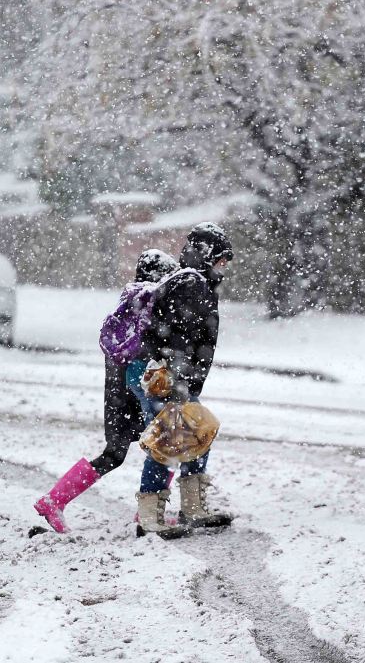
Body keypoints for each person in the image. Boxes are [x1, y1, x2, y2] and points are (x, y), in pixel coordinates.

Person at [33, 249, 179, 533]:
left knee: (116, 454)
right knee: (168, 445)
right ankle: (149, 513)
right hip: (138, 391)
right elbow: (154, 353)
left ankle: (54, 500)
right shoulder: (150, 304)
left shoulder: (127, 304)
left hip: (116, 391)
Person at [130, 222, 234, 536]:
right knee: (167, 442)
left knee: (199, 433)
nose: (224, 267)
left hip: (176, 378)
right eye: (221, 260)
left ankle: (193, 509)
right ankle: (150, 517)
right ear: (206, 255)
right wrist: (176, 378)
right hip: (169, 379)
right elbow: (170, 334)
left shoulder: (192, 281)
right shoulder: (190, 283)